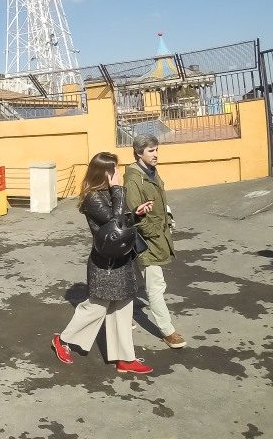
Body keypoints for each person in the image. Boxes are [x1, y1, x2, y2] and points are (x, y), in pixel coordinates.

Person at [52, 151, 155, 375]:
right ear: (104, 173)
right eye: (115, 169)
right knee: (96, 308)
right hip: (105, 264)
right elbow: (114, 223)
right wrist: (118, 189)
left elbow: (123, 220)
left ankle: (125, 358)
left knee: (123, 308)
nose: (118, 173)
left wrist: (136, 214)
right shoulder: (93, 198)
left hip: (121, 260)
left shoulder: (110, 193)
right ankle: (63, 340)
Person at [123, 135, 185, 349]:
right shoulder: (134, 180)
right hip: (147, 241)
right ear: (139, 153)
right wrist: (155, 233)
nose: (156, 154)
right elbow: (136, 215)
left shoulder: (151, 172)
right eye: (151, 150)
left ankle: (120, 318)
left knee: (132, 281)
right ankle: (168, 331)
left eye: (156, 149)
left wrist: (167, 219)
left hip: (157, 236)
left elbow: (158, 203)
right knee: (155, 287)